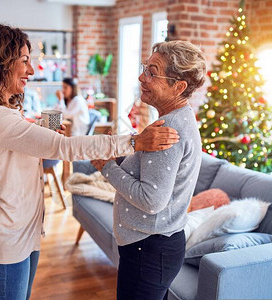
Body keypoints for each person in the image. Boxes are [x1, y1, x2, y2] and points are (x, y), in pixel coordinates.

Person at [0, 23, 180, 300]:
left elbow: (16, 148)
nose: (31, 70)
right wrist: (134, 141)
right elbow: (65, 146)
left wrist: (39, 134)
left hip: (21, 231)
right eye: (24, 61)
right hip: (6, 237)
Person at [91, 40, 206, 300]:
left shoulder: (169, 130)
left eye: (152, 72)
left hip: (149, 250)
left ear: (179, 86)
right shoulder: (176, 119)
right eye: (145, 68)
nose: (142, 77)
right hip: (153, 247)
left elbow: (151, 200)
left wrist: (106, 167)